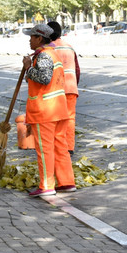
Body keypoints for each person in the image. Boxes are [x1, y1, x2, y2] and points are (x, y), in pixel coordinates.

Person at [22, 24, 76, 197]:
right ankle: (67, 182)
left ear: (39, 38)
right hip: (58, 110)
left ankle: (46, 185)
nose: (29, 40)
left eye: (31, 37)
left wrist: (28, 68)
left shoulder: (44, 55)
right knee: (61, 147)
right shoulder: (53, 54)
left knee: (45, 150)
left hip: (45, 111)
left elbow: (44, 79)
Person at [47, 21, 79, 156]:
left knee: (55, 119)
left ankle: (57, 147)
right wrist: (74, 85)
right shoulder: (69, 47)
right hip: (71, 88)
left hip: (55, 90)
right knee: (70, 118)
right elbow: (77, 69)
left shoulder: (48, 49)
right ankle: (69, 148)